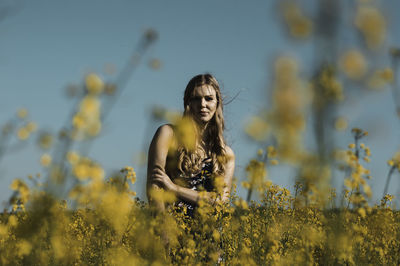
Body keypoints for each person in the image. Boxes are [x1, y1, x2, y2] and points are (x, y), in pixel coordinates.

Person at [146, 74, 235, 216]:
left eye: (209, 99)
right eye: (196, 99)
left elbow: (221, 202)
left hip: (208, 234)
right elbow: (154, 185)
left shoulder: (225, 154)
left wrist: (174, 188)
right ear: (188, 103)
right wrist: (163, 233)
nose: (202, 104)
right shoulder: (168, 134)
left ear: (217, 103)